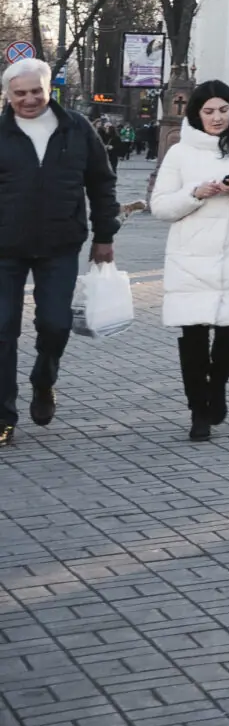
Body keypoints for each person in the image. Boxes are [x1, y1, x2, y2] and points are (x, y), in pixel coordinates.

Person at [148, 79, 229, 440]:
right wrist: (195, 193)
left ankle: (217, 386)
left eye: (223, 110)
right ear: (196, 114)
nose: (217, 117)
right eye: (208, 111)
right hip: (190, 259)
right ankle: (198, 411)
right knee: (192, 336)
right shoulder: (181, 152)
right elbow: (159, 206)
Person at [0, 58, 120, 448]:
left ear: (48, 88)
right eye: (20, 93)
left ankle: (43, 380)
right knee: (2, 330)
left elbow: (102, 184)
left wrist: (105, 236)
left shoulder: (77, 128)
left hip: (60, 246)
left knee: (55, 324)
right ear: (7, 95)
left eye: (37, 90)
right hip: (4, 249)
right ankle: (4, 415)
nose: (30, 99)